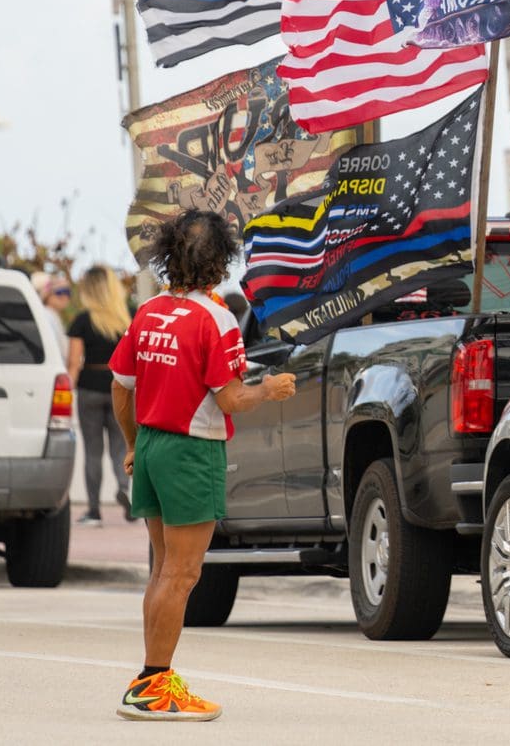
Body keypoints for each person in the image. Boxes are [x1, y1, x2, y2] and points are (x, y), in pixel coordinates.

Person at [110, 210, 295, 721]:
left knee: (161, 569)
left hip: (149, 444)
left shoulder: (148, 311)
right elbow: (232, 399)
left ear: (171, 256)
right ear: (221, 260)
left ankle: (152, 676)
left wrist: (131, 445)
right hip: (191, 450)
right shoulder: (217, 319)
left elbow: (119, 387)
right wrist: (271, 389)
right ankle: (154, 683)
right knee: (182, 573)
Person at [68, 264, 135, 525]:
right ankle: (125, 488)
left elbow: (74, 361)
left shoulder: (82, 320)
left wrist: (67, 391)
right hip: (123, 386)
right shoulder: (131, 316)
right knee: (123, 445)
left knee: (92, 451)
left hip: (89, 388)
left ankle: (94, 510)